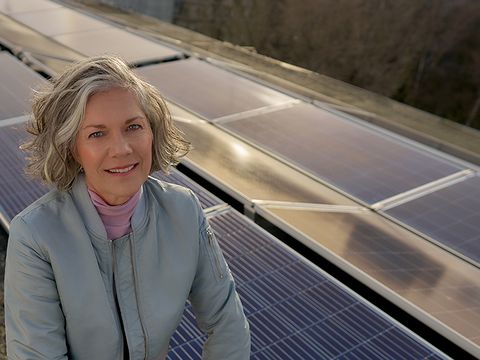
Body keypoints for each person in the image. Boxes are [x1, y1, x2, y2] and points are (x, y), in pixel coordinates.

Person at [4, 55, 251, 359]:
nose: (121, 149)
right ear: (72, 148)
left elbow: (227, 324)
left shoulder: (183, 211)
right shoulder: (35, 236)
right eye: (97, 133)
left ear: (152, 131)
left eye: (133, 126)